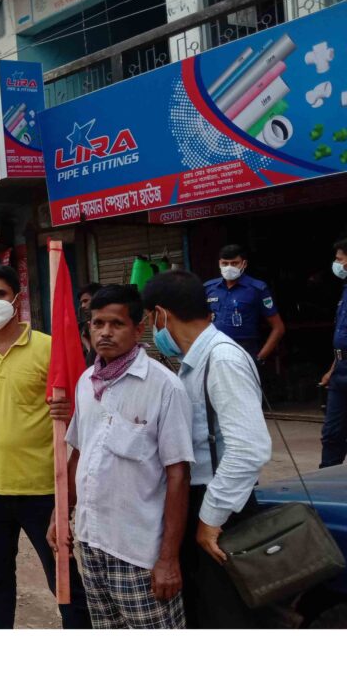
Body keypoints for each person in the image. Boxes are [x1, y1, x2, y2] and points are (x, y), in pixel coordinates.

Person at [50, 285, 193, 629]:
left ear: (138, 327)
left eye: (116, 324)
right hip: (91, 542)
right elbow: (79, 454)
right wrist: (60, 514)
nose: (105, 333)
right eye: (97, 324)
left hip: (138, 552)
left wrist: (168, 559)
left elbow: (178, 475)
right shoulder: (87, 382)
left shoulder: (164, 387)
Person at [142, 269, 272, 628]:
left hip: (221, 506)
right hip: (202, 501)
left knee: (225, 616)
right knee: (203, 611)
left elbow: (249, 448)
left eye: (151, 320)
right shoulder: (195, 361)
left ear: (161, 315)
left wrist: (210, 519)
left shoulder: (223, 359)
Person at [0, 265, 90, 629]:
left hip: (43, 490)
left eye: (0, 295)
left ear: (17, 300)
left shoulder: (49, 348)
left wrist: (70, 411)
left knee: (63, 579)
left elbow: (85, 411)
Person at [204, 244, 285, 362]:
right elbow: (201, 322)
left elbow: (278, 328)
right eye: (225, 263)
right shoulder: (209, 288)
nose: (229, 267)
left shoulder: (257, 289)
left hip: (245, 350)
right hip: (215, 350)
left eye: (234, 263)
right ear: (219, 264)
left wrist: (260, 357)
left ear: (244, 264)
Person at [321, 237, 347, 468]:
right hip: (340, 372)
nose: (336, 264)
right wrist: (332, 369)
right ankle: (325, 480)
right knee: (332, 433)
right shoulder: (345, 291)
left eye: (339, 259)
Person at [78, 282, 103, 367]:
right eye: (81, 303)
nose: (83, 306)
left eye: (85, 301)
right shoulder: (83, 329)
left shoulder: (107, 328)